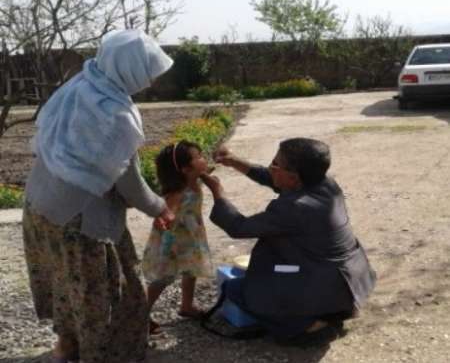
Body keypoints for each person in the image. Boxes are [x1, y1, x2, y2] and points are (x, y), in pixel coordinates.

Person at [22, 29, 175, 363]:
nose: (148, 82)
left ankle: (65, 348)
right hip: (80, 221)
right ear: (129, 68)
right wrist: (161, 207)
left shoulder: (80, 87)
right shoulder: (115, 115)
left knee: (67, 284)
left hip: (40, 206)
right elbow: (130, 184)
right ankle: (102, 355)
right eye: (147, 72)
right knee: (108, 296)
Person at [201, 137, 376, 343]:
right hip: (350, 279)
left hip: (322, 282)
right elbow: (273, 178)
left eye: (275, 164)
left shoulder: (295, 207)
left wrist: (218, 193)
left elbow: (239, 227)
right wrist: (234, 161)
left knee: (236, 289)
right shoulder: (325, 184)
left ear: (294, 177)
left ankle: (308, 328)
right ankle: (335, 310)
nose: (270, 167)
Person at [141, 140, 213, 335]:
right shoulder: (178, 192)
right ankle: (140, 316)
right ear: (185, 169)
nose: (203, 159)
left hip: (190, 238)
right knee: (162, 279)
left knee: (191, 271)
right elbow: (166, 212)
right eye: (198, 157)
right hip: (171, 244)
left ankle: (186, 306)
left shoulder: (195, 179)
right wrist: (163, 220)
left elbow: (204, 172)